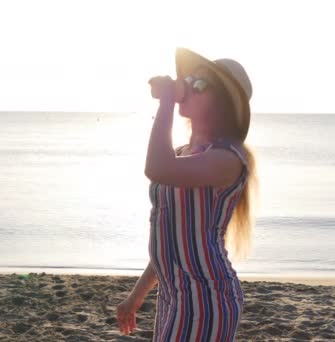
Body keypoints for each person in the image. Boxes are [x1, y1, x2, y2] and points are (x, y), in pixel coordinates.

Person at [117, 47, 257, 341]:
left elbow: (156, 167)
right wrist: (136, 296)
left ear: (223, 105)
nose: (189, 86)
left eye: (201, 84)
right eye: (189, 79)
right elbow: (170, 237)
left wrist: (166, 101)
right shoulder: (181, 154)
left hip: (207, 298)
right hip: (173, 295)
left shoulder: (227, 159)